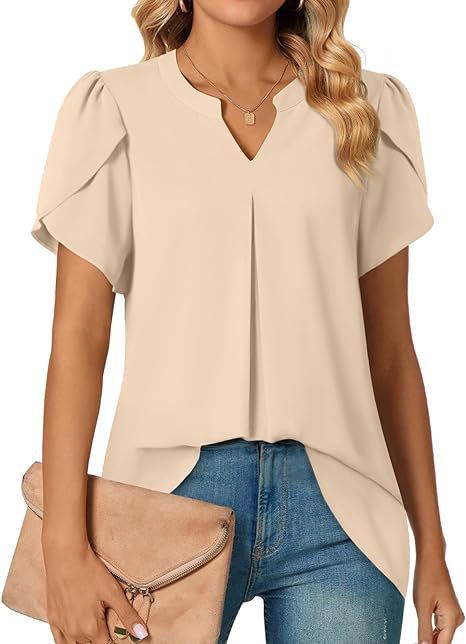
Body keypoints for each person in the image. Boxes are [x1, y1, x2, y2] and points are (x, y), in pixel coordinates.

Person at [32, 1, 464, 643]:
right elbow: (78, 339)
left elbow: (392, 352)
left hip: (343, 514)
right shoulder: (116, 108)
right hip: (163, 502)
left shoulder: (366, 107)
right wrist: (62, 546)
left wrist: (433, 545)